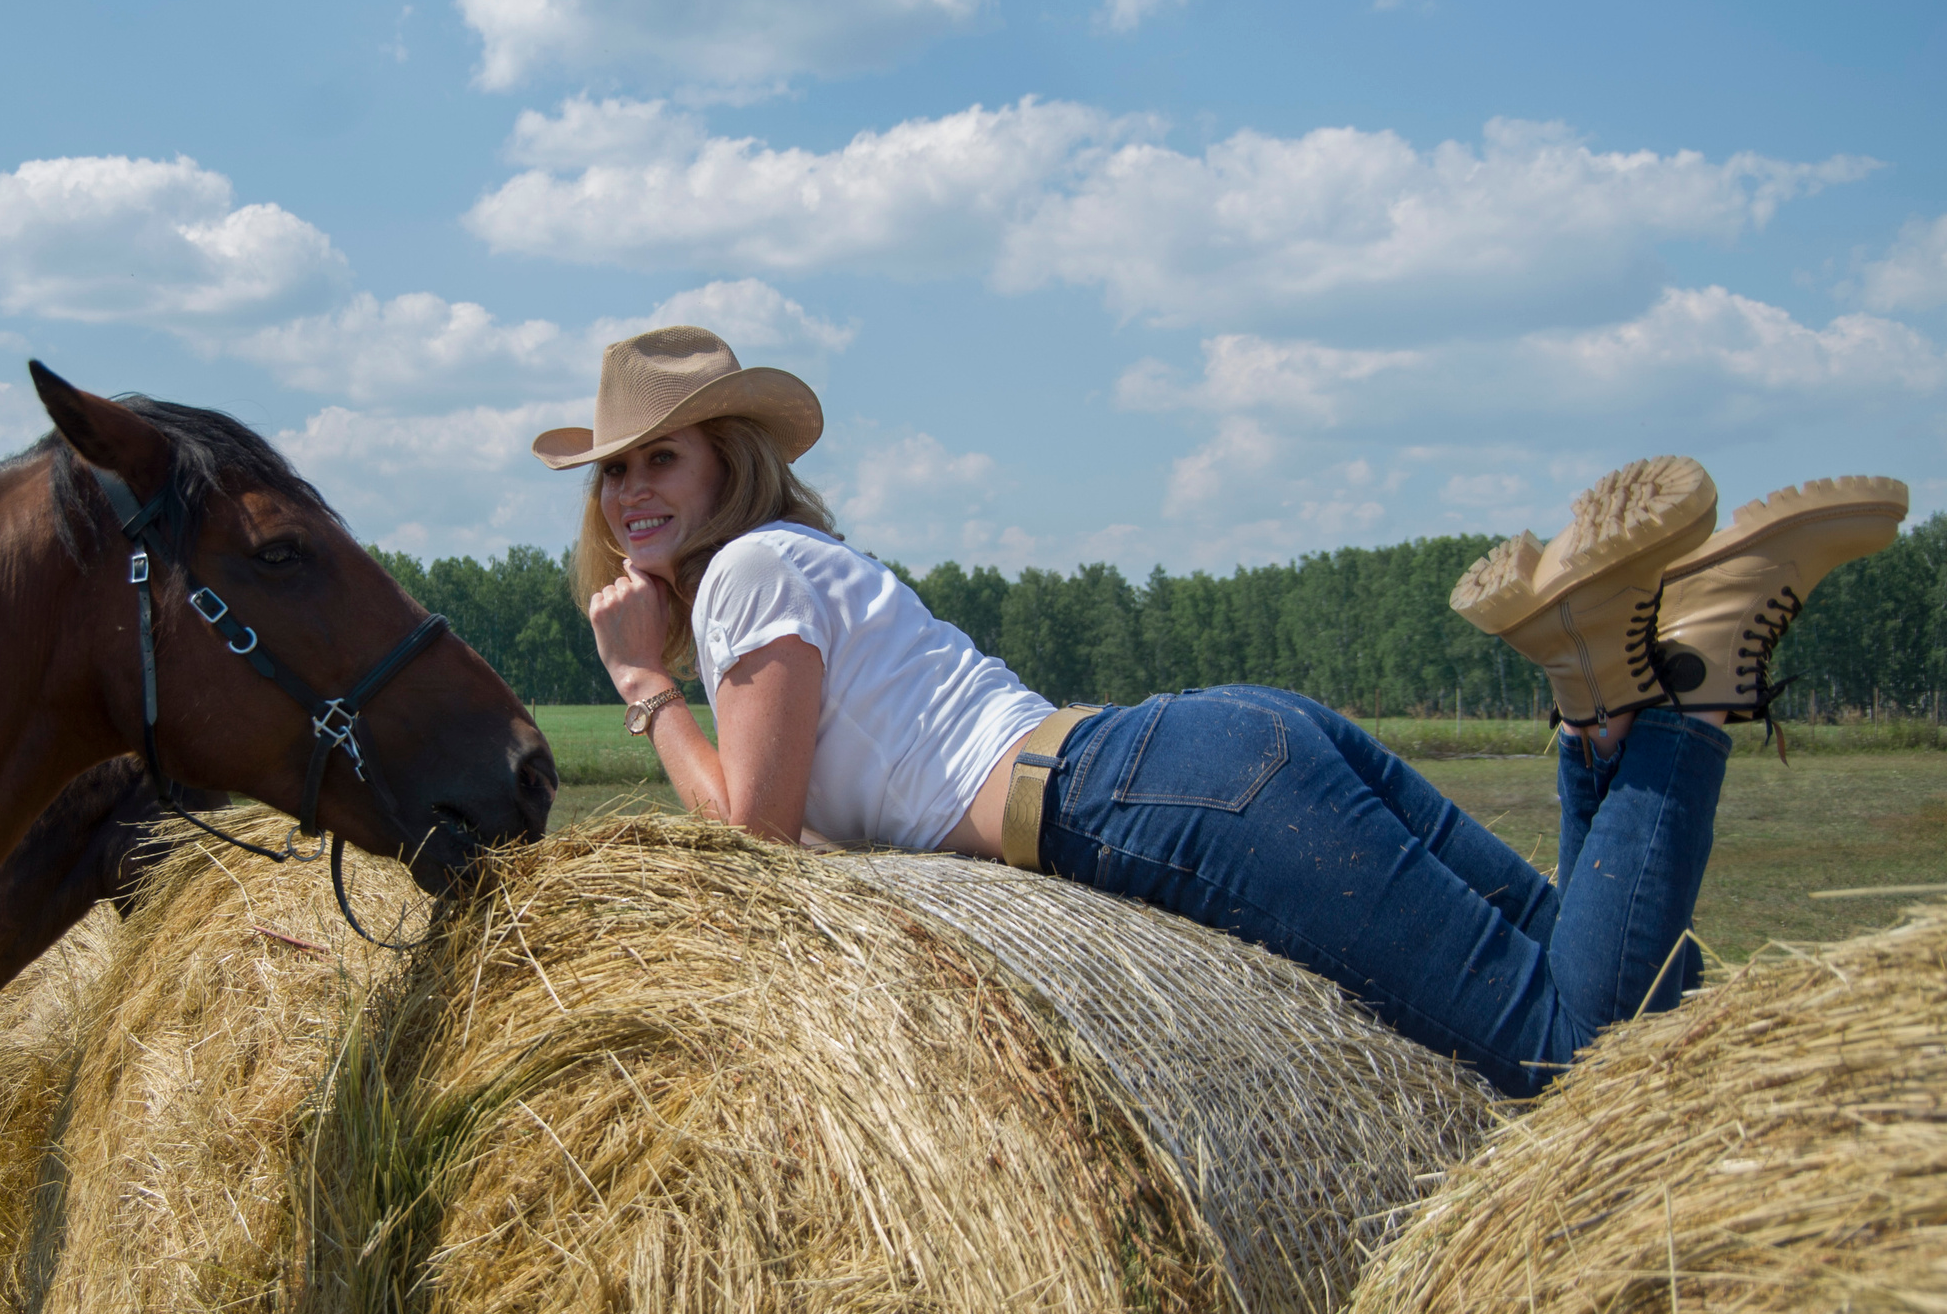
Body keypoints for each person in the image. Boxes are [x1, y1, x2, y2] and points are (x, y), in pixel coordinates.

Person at [537, 325, 1910, 1097]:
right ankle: (1599, 695)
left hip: (1151, 799)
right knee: (1612, 979)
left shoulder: (751, 580)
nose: (629, 495)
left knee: (1565, 1053)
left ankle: (1692, 685)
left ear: (734, 463)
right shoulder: (812, 567)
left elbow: (758, 857)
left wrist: (647, 687)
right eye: (611, 475)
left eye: (660, 458)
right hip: (1221, 752)